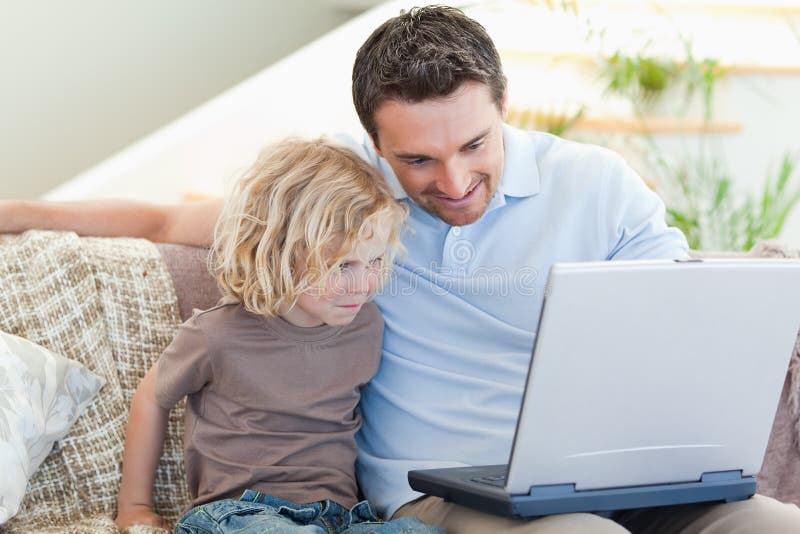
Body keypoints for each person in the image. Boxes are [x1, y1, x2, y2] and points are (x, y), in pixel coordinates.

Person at [3, 6, 800, 533]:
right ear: (374, 147)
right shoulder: (342, 203)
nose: (452, 184)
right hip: (449, 498)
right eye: (418, 159)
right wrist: (22, 213)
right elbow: (165, 222)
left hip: (623, 478)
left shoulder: (598, 185)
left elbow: (690, 320)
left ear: (504, 105)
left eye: (474, 145)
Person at [113, 137, 442, 533]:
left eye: (373, 261)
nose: (363, 284)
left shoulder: (367, 327)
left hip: (340, 517)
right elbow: (152, 397)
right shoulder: (216, 334)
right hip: (240, 514)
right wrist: (134, 506)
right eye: (341, 266)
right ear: (277, 252)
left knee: (419, 531)